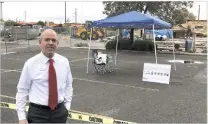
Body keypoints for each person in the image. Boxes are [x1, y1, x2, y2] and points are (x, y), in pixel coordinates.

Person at [16, 29, 73, 124]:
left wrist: (66, 107)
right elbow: (22, 90)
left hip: (59, 113)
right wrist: (21, 117)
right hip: (38, 114)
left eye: (53, 40)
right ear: (40, 43)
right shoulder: (30, 63)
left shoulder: (64, 62)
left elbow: (68, 85)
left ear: (57, 43)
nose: (50, 43)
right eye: (47, 40)